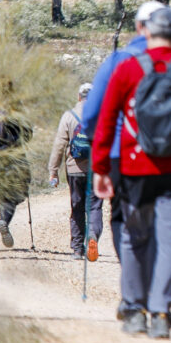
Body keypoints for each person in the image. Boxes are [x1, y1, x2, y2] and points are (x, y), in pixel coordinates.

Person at [92, 8, 171, 339]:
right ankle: (161, 312)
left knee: (135, 238)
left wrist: (101, 168)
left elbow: (105, 122)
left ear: (146, 33)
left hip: (134, 170)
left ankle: (134, 309)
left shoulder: (127, 69)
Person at [83, 1, 171, 266]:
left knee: (123, 218)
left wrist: (99, 149)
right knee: (169, 224)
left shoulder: (118, 59)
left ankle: (134, 275)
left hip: (123, 155)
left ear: (140, 27)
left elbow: (91, 115)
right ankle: (159, 285)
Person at [48, 82, 101, 261]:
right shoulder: (101, 115)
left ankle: (78, 249)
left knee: (77, 208)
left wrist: (53, 171)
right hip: (96, 170)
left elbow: (59, 145)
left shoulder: (68, 116)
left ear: (79, 97)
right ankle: (93, 237)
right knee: (94, 207)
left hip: (74, 169)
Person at [0, 109, 33, 252]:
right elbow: (28, 135)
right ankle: (4, 221)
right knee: (10, 197)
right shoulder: (15, 117)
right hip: (12, 164)